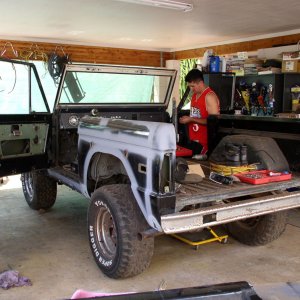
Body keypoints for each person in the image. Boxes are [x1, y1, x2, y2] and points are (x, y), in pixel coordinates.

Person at [179, 69, 220, 160]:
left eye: (193, 86)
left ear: (200, 83)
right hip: (193, 140)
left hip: (203, 144)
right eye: (189, 86)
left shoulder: (209, 96)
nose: (191, 89)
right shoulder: (194, 95)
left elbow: (213, 122)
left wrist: (191, 119)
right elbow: (195, 115)